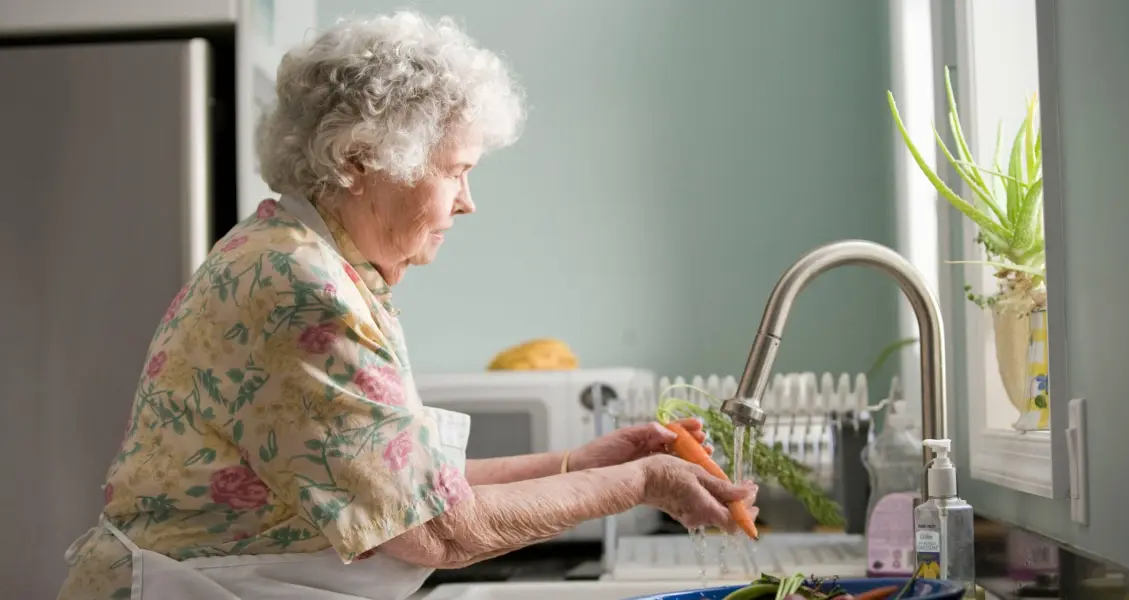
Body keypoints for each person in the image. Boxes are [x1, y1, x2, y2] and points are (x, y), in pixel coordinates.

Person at [58, 11, 757, 600]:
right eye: (455, 170)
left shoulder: (306, 258)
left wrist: (584, 463)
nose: (467, 200)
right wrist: (641, 481)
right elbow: (438, 529)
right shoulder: (300, 289)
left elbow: (404, 488)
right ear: (362, 159)